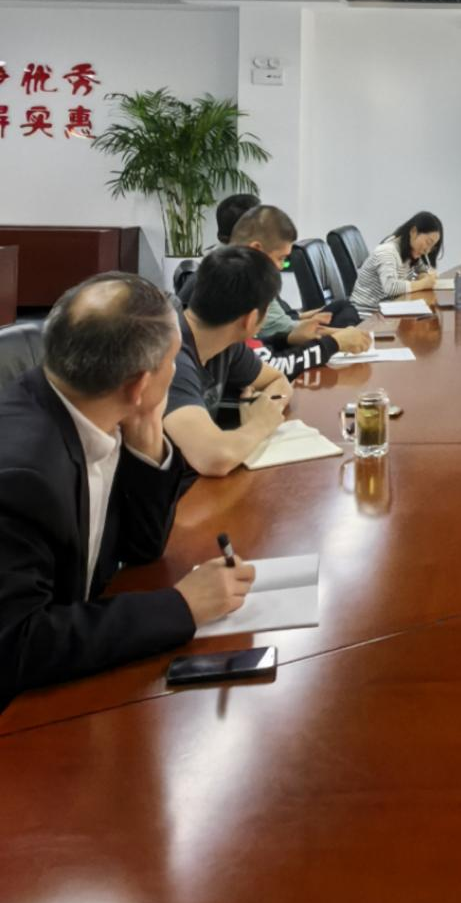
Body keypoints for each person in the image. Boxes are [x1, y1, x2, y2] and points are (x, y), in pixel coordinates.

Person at [0, 273, 256, 707]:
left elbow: (142, 548)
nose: (177, 373)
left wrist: (148, 442)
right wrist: (181, 606)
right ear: (139, 384)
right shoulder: (22, 477)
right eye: (173, 362)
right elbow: (17, 644)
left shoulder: (93, 409)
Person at [180, 204, 372, 378]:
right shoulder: (233, 284)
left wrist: (287, 338)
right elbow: (271, 363)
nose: (281, 267)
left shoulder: (230, 275)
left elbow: (259, 357)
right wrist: (334, 342)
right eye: (282, 258)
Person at [164, 246, 294, 477]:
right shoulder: (172, 357)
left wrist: (260, 405)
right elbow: (213, 458)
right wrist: (260, 423)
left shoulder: (226, 344)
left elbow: (277, 379)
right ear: (251, 319)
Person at [349, 212, 444, 317]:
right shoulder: (387, 251)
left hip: (389, 309)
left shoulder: (413, 251)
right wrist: (423, 284)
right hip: (367, 314)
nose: (427, 250)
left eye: (432, 247)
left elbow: (423, 270)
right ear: (413, 232)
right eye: (428, 242)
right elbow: (390, 287)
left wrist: (425, 277)